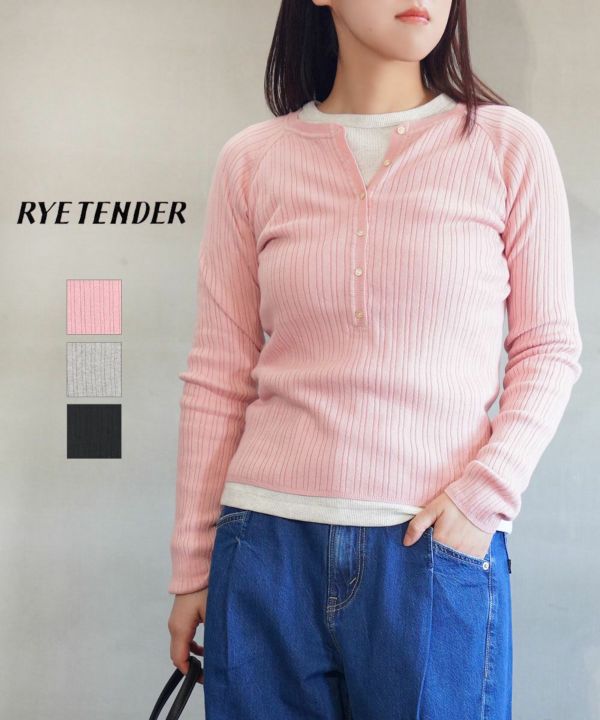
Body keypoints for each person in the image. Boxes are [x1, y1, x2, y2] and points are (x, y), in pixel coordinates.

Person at [167, 1, 583, 718]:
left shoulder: (506, 145)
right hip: (265, 546)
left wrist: (483, 497)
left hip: (431, 548)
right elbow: (218, 375)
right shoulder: (252, 161)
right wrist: (193, 565)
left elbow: (549, 347)